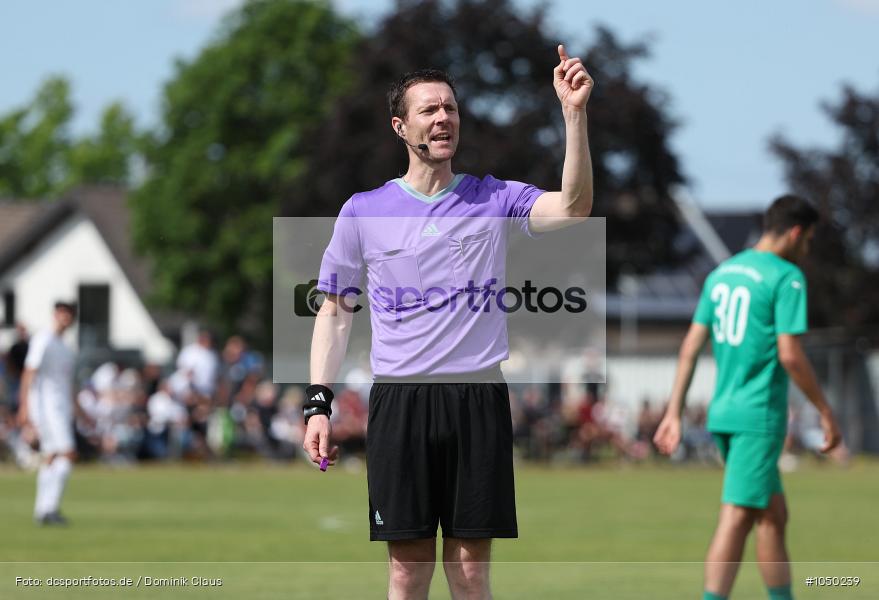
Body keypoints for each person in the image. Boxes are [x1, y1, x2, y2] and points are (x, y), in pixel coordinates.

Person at [302, 45, 594, 600]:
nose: (444, 119)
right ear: (400, 126)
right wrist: (319, 401)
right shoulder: (362, 211)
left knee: (469, 572)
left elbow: (574, 207)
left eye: (451, 109)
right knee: (407, 573)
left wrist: (574, 116)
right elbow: (335, 314)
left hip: (476, 399)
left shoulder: (493, 197)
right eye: (430, 110)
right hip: (400, 401)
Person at [653, 195, 842, 600]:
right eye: (807, 240)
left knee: (773, 515)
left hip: (723, 413)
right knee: (738, 515)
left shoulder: (721, 274)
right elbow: (791, 354)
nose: (806, 249)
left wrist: (674, 412)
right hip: (758, 416)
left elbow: (690, 347)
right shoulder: (786, 277)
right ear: (795, 232)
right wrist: (826, 411)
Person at [16, 301, 79, 525]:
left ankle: (43, 510)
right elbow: (29, 372)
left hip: (62, 408)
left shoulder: (65, 346)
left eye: (69, 314)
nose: (66, 318)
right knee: (67, 454)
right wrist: (24, 406)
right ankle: (49, 509)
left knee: (51, 458)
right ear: (55, 314)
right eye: (63, 313)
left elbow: (67, 383)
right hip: (47, 409)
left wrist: (79, 409)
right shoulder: (43, 339)